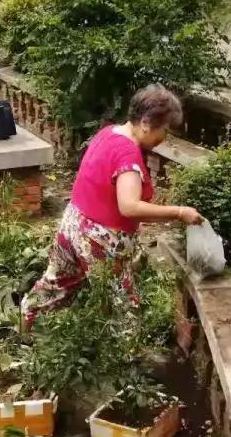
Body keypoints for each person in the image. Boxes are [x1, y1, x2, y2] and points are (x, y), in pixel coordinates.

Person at [21, 85, 203, 327]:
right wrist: (179, 213)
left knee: (52, 286)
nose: (164, 139)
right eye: (165, 130)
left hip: (73, 225)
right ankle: (125, 362)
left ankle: (24, 328)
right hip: (99, 239)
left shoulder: (108, 133)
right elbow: (129, 207)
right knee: (125, 312)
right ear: (147, 122)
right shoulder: (127, 153)